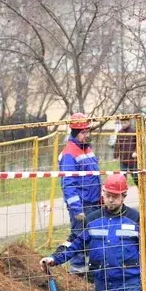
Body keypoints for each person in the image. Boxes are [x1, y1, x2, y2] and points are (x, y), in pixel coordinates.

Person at [43, 173, 140, 291]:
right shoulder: (93, 219)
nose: (110, 199)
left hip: (128, 282)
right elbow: (75, 242)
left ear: (124, 196)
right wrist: (54, 258)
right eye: (107, 195)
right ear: (102, 193)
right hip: (102, 282)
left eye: (115, 196)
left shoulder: (135, 218)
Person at [59, 113, 101, 273]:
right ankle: (77, 273)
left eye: (87, 131)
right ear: (76, 132)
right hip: (83, 205)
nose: (87, 135)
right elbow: (68, 184)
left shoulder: (87, 149)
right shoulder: (69, 154)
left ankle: (90, 272)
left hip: (94, 203)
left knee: (92, 238)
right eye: (83, 132)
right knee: (79, 238)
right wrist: (77, 209)